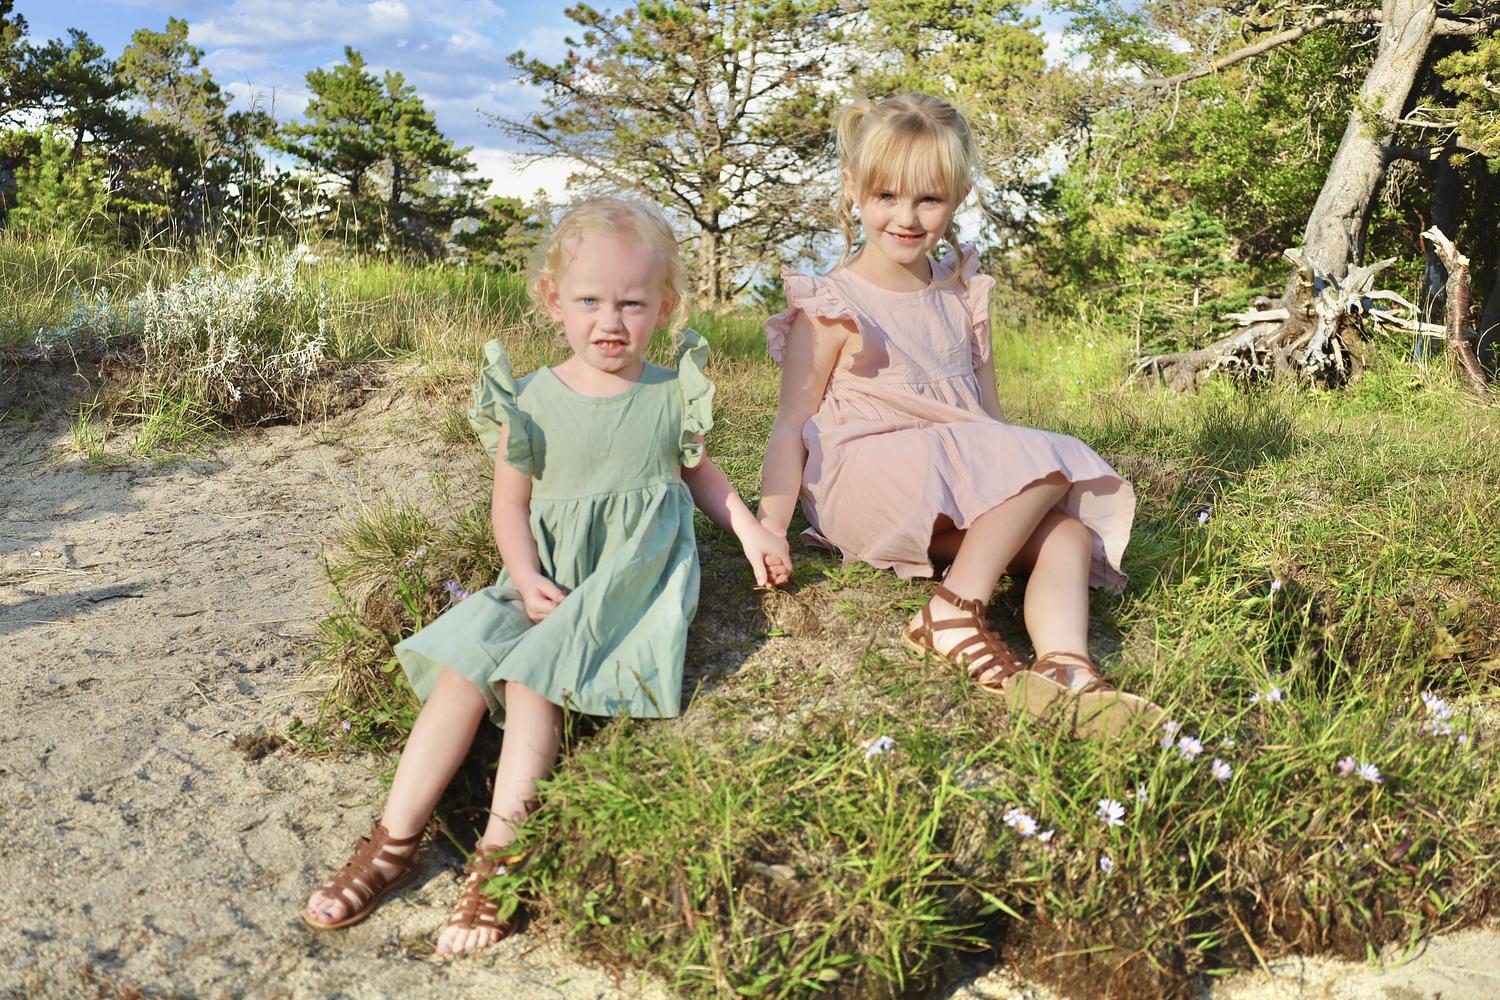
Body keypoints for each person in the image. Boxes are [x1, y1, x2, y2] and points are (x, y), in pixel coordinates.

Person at [302, 198, 791, 955]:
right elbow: (509, 506)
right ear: (552, 300)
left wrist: (751, 530)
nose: (610, 322)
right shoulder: (530, 398)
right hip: (544, 576)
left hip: (629, 584)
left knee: (532, 680)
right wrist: (525, 576)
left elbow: (702, 477)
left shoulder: (669, 392)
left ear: (664, 308)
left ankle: (500, 861)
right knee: (465, 669)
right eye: (590, 301)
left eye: (632, 304)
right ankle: (393, 843)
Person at [756, 94, 1156, 738]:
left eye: (928, 200)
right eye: (886, 196)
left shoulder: (963, 293)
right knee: (1047, 460)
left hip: (947, 490)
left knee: (1067, 537)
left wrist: (1017, 486)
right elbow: (788, 424)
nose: (906, 217)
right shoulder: (831, 303)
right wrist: (770, 526)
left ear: (959, 196)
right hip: (868, 481)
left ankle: (1066, 670)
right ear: (853, 190)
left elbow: (989, 422)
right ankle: (953, 610)